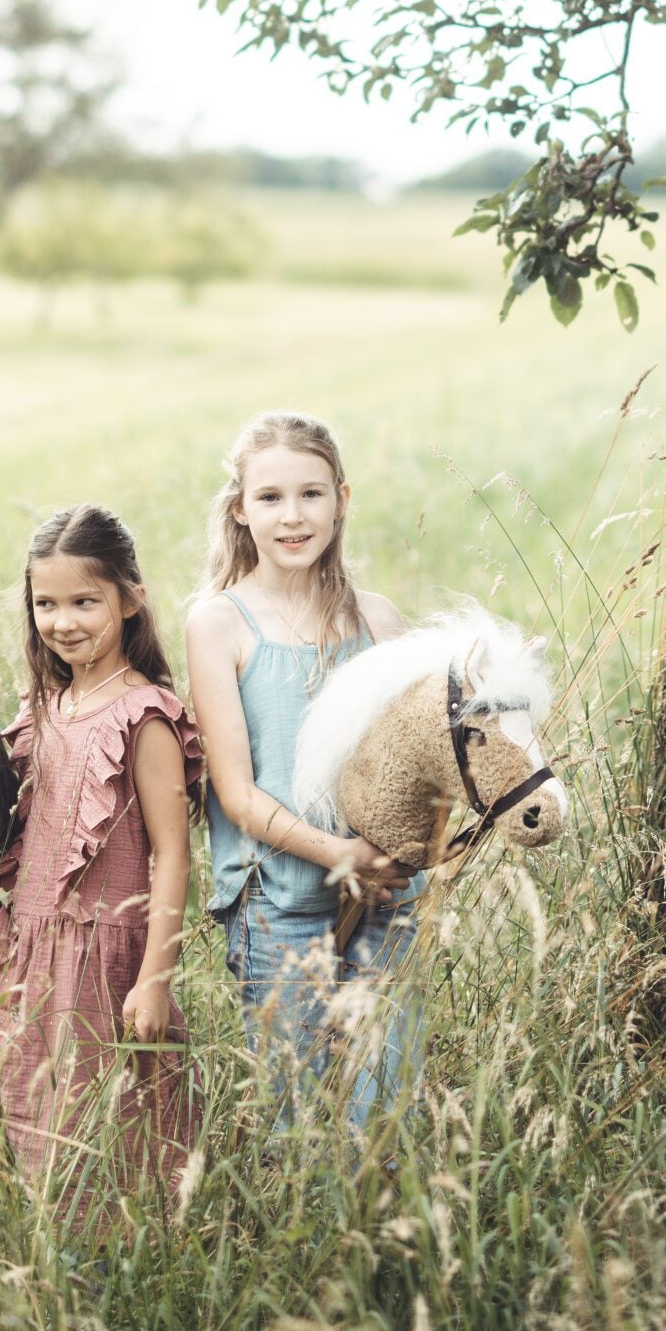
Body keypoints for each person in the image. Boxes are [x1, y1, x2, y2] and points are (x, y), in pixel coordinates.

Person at [0, 503, 202, 1216]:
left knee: (115, 1136)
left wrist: (154, 981)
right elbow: (32, 838)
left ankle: (133, 1269)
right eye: (46, 604)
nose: (64, 621)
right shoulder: (42, 710)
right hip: (28, 951)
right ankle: (61, 1273)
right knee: (40, 1136)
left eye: (85, 601)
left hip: (103, 960)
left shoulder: (144, 714)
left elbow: (174, 857)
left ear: (130, 600)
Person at [185, 409, 418, 1130]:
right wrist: (337, 854)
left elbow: (407, 765)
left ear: (342, 500)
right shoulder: (220, 623)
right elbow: (239, 795)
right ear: (241, 510)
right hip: (276, 898)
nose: (293, 516)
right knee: (299, 1112)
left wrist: (389, 856)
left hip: (383, 891)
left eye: (312, 495)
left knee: (382, 1101)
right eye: (271, 497)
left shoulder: (378, 623)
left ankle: (384, 1234)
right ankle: (314, 1238)